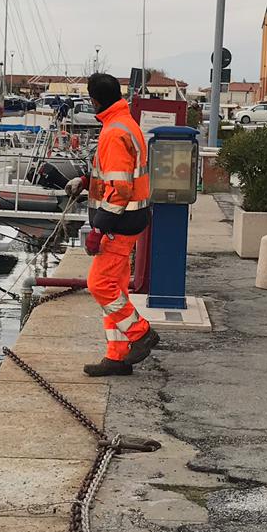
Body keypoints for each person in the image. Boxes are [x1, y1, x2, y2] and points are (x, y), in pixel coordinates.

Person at [65, 72, 159, 376]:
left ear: (93, 100)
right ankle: (117, 357)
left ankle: (140, 334)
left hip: (119, 224)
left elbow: (120, 189)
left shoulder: (112, 133)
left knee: (100, 284)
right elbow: (120, 175)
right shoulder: (124, 124)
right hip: (131, 220)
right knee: (116, 289)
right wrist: (86, 180)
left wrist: (98, 228)